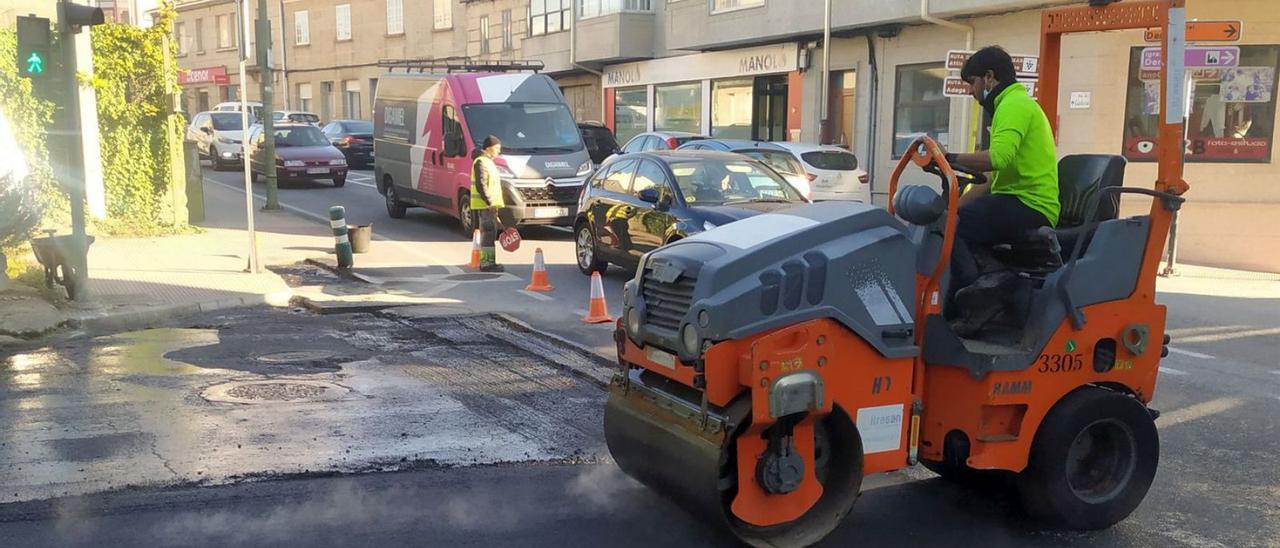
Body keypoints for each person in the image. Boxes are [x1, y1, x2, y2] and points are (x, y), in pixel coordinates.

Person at [943, 46, 1060, 335]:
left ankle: (985, 288)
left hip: (1032, 206)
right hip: (1014, 202)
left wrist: (951, 157)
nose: (971, 92)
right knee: (949, 220)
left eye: (972, 83)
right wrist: (951, 208)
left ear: (989, 77)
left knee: (955, 227)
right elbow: (989, 180)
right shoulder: (1009, 107)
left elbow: (998, 158)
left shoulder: (1015, 105)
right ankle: (987, 288)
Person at [470, 135, 506, 272]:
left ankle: (488, 262)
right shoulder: (481, 162)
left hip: (489, 206)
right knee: (488, 235)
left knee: (490, 234)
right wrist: (489, 202)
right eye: (497, 148)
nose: (498, 151)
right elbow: (481, 184)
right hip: (486, 206)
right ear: (489, 148)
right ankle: (487, 263)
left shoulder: (487, 161)